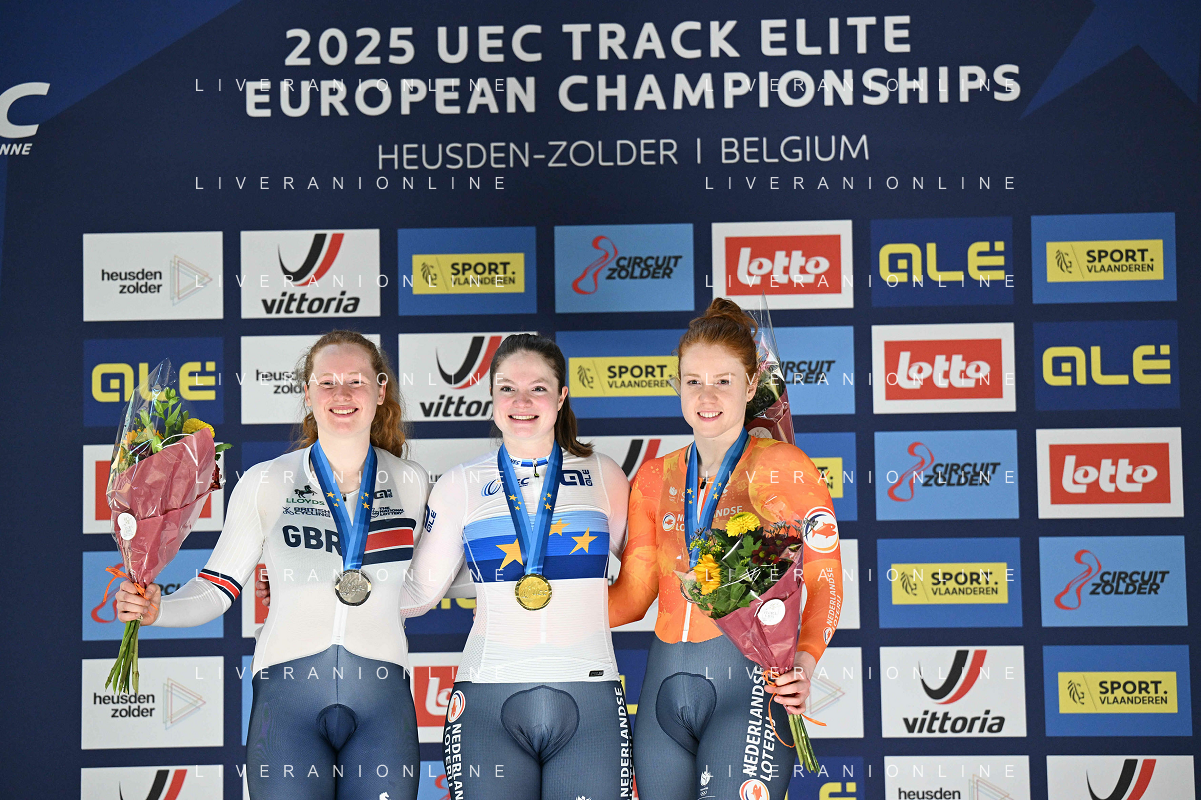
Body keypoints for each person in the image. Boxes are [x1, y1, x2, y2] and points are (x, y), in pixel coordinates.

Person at [115, 331, 429, 800]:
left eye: (356, 381)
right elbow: (216, 587)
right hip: (287, 703)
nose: (341, 394)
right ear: (308, 393)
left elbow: (425, 586)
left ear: (380, 391)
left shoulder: (412, 482)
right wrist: (159, 610)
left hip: (382, 703)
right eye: (327, 382)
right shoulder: (267, 481)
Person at [608, 299, 844, 800]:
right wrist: (534, 608)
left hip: (752, 691)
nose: (707, 395)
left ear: (752, 385)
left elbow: (825, 577)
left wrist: (805, 662)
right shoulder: (652, 478)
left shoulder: (784, 466)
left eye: (723, 380)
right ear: (677, 384)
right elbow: (632, 597)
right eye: (694, 380)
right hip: (662, 693)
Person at [397, 333, 632, 800]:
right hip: (488, 696)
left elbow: (641, 577)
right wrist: (308, 591)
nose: (521, 402)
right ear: (492, 397)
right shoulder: (460, 484)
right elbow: (418, 594)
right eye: (507, 388)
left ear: (561, 397)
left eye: (538, 388)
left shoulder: (605, 475)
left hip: (591, 694)